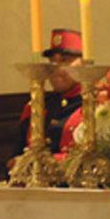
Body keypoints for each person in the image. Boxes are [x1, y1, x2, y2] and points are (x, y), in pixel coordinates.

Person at [14, 27, 83, 155]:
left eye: (64, 60)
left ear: (83, 63)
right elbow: (16, 158)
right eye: (52, 61)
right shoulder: (37, 106)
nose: (57, 68)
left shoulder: (94, 106)